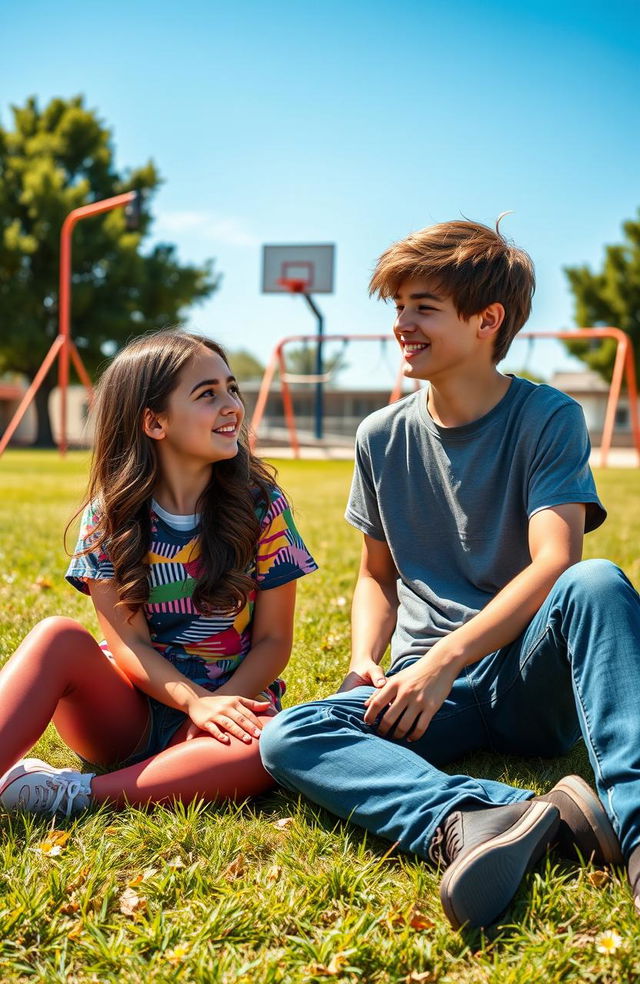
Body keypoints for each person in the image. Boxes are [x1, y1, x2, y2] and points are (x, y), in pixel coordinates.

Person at [261, 219, 640, 931]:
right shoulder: (380, 435)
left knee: (597, 584)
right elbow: (377, 575)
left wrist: (448, 657)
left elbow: (557, 560)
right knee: (289, 738)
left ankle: (638, 832)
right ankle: (482, 818)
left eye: (423, 307)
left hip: (523, 672)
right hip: (424, 692)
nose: (402, 324)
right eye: (398, 306)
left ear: (486, 320)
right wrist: (363, 662)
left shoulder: (547, 417)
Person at [0, 329, 317, 816]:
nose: (232, 404)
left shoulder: (263, 506)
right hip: (128, 713)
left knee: (269, 746)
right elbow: (130, 646)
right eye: (207, 394)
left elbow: (275, 641)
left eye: (232, 388)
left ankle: (71, 795)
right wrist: (190, 702)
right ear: (154, 422)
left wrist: (217, 707)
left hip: (232, 705)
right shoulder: (109, 516)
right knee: (55, 637)